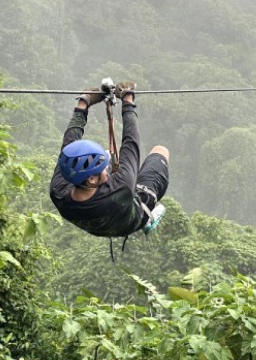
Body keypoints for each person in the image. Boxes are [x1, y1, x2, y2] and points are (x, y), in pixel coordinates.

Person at [50, 80, 170, 240]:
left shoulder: (58, 190)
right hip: (132, 218)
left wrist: (83, 103)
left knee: (108, 154)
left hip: (97, 224)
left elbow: (70, 143)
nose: (107, 168)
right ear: (91, 178)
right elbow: (131, 142)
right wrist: (128, 100)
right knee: (160, 151)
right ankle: (149, 217)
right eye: (103, 167)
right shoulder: (121, 187)